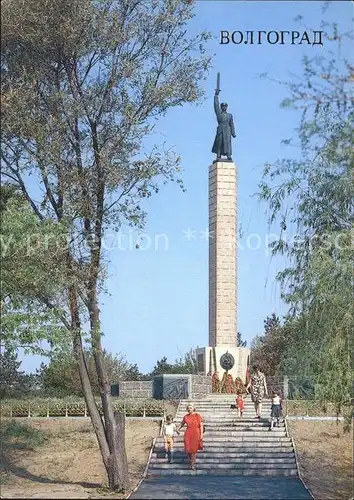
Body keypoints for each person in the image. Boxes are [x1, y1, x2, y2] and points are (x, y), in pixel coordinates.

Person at [177, 403, 204, 471]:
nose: (189, 409)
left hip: (196, 433)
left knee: (194, 450)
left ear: (193, 408)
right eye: (188, 408)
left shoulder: (198, 415)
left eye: (190, 408)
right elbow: (182, 423)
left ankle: (192, 465)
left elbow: (201, 425)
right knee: (187, 449)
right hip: (188, 434)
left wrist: (201, 434)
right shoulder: (186, 416)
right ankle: (191, 460)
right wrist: (177, 429)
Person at [211, 89, 236, 160]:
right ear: (221, 107)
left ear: (226, 107)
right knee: (219, 143)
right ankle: (218, 155)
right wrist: (216, 96)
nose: (224, 107)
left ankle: (228, 155)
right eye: (222, 106)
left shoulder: (230, 115)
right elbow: (216, 106)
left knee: (228, 143)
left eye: (225, 106)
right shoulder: (219, 114)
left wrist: (233, 133)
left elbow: (232, 124)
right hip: (221, 129)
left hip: (228, 130)